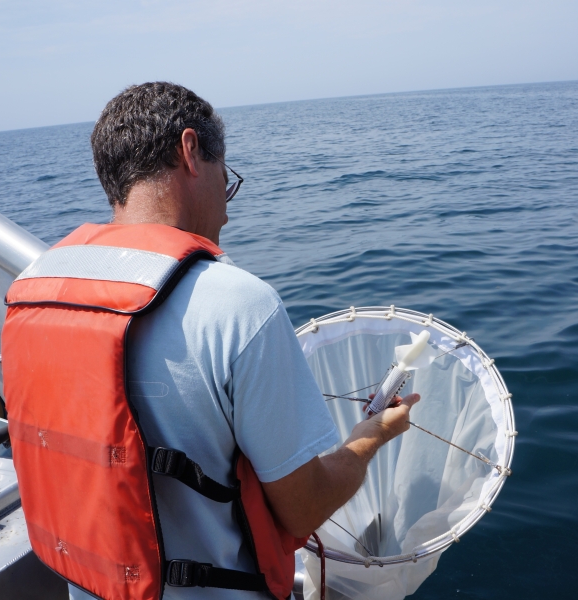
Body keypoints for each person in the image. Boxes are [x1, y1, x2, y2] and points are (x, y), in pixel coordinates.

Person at [59, 82, 420, 599]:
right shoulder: (238, 303)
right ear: (190, 152)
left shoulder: (35, 289)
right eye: (226, 180)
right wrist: (373, 436)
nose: (227, 211)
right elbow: (303, 508)